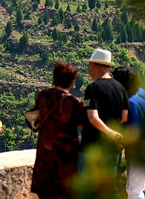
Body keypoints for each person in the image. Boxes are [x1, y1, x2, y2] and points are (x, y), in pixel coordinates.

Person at [30, 62, 85, 199]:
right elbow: (82, 124)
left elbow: (37, 116)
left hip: (45, 155)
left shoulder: (42, 95)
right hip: (65, 159)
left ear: (55, 78)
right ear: (72, 82)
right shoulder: (74, 103)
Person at [113, 66, 145, 199]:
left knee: (134, 188)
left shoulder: (132, 103)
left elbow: (132, 132)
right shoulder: (143, 93)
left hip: (140, 148)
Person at [80, 49, 129, 166]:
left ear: (93, 65)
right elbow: (124, 117)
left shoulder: (92, 88)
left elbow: (92, 118)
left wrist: (110, 133)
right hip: (112, 148)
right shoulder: (121, 88)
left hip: (93, 149)